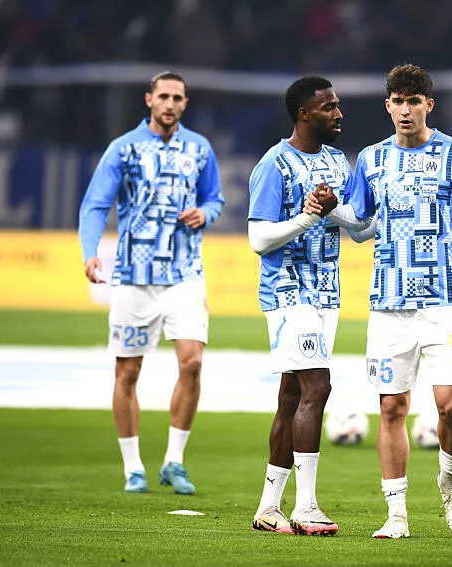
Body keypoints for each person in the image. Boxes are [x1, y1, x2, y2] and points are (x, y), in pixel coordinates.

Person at [304, 63, 452, 539]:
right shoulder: (372, 159)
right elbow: (360, 226)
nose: (405, 110)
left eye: (414, 102)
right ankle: (396, 514)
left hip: (447, 299)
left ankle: (450, 483)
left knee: (451, 407)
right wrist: (330, 209)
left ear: (428, 105)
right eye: (398, 102)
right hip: (389, 303)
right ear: (388, 105)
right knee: (391, 408)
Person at [78, 70, 225, 495]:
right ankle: (133, 468)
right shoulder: (123, 149)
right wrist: (90, 251)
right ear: (149, 100)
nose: (170, 104)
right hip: (133, 277)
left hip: (184, 274)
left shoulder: (199, 149)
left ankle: (174, 461)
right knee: (128, 371)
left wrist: (206, 213)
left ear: (185, 103)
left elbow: (214, 197)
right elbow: (95, 204)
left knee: (192, 363)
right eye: (163, 96)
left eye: (177, 98)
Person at [246, 76, 352, 536]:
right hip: (288, 292)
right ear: (304, 114)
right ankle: (306, 506)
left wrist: (332, 210)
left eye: (337, 105)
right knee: (317, 387)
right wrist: (308, 217)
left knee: (291, 397)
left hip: (328, 293)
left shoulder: (337, 162)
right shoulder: (274, 164)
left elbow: (363, 228)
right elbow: (258, 238)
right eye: (328, 107)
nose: (338, 114)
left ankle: (268, 509)